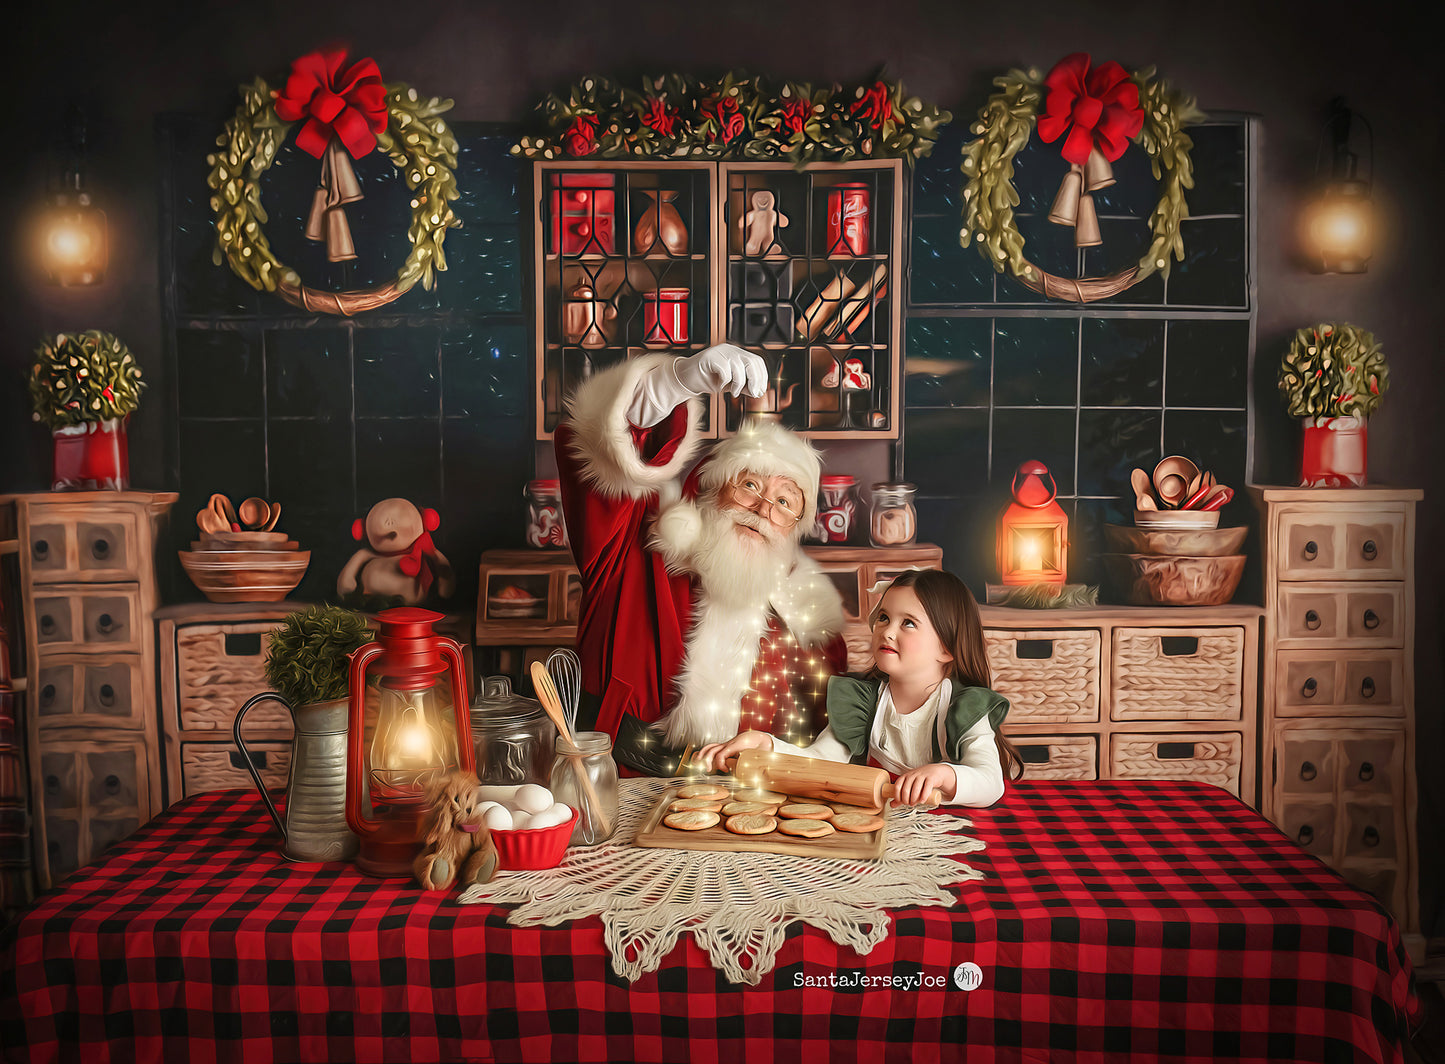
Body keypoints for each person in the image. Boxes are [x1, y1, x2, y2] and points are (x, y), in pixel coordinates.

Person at [555, 344, 848, 776]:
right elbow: (601, 456)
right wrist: (672, 383)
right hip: (617, 781)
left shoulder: (805, 623)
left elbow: (831, 734)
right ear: (710, 489)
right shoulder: (632, 545)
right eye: (749, 484)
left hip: (742, 803)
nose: (764, 508)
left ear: (794, 528)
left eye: (786, 501)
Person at [695, 569, 1023, 806]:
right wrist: (763, 743)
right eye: (883, 618)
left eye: (908, 623)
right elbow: (820, 763)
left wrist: (945, 775)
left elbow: (991, 783)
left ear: (946, 649)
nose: (887, 631)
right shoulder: (861, 702)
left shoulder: (963, 708)